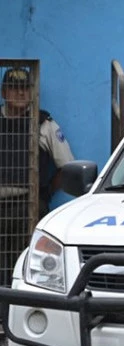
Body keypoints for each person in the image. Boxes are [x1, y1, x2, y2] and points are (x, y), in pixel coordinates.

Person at [1, 67, 75, 286]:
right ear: (4, 92)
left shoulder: (43, 124)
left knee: (24, 266)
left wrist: (45, 192)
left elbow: (67, 166)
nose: (22, 94)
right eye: (15, 89)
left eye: (26, 88)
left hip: (28, 206)